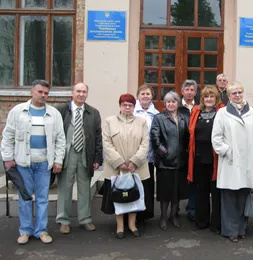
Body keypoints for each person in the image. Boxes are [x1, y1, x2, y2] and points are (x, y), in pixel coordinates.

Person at [1, 80, 66, 245]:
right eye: (40, 92)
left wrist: (58, 160)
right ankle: (25, 230)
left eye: (46, 93)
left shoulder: (54, 114)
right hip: (23, 163)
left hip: (44, 163)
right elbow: (8, 136)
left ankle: (41, 230)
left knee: (43, 198)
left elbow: (60, 139)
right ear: (32, 92)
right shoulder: (18, 111)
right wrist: (7, 158)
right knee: (25, 197)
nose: (43, 95)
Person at [211, 81, 253, 243]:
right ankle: (230, 230)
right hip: (230, 163)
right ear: (228, 96)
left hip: (247, 163)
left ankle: (241, 229)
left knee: (243, 197)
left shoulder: (252, 113)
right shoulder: (222, 113)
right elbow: (216, 138)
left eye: (240, 92)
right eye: (234, 93)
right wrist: (228, 151)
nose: (238, 95)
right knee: (229, 199)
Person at [56, 83, 103, 234]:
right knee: (65, 187)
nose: (81, 94)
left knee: (85, 188)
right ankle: (63, 220)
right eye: (78, 91)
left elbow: (97, 137)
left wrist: (97, 157)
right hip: (67, 154)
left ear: (87, 94)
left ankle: (85, 219)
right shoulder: (61, 110)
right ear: (72, 93)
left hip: (85, 155)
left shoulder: (93, 113)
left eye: (84, 92)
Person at [101, 94, 149, 239]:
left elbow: (145, 143)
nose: (127, 107)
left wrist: (135, 161)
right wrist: (119, 162)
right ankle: (120, 225)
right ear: (120, 106)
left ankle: (132, 224)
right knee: (118, 196)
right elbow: (107, 144)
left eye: (130, 105)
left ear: (134, 107)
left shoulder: (141, 122)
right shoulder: (110, 121)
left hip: (137, 167)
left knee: (134, 195)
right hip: (116, 168)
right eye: (124, 104)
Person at [151, 91, 190, 230]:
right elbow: (155, 139)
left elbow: (188, 137)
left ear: (177, 103)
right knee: (165, 192)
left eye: (173, 101)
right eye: (168, 102)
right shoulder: (159, 118)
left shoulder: (185, 118)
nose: (171, 104)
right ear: (165, 104)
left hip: (181, 162)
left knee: (177, 191)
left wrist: (186, 153)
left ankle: (173, 215)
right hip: (164, 162)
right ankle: (163, 216)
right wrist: (165, 153)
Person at [188, 85, 224, 233]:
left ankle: (216, 223)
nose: (209, 99)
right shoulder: (196, 111)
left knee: (216, 192)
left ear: (216, 99)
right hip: (198, 158)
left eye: (212, 96)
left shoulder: (221, 112)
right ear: (202, 99)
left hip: (216, 159)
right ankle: (201, 221)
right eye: (206, 97)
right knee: (201, 191)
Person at [133, 84, 159, 224]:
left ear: (152, 96)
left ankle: (144, 215)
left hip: (149, 157)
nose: (145, 96)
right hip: (133, 157)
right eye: (142, 93)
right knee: (133, 185)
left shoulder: (155, 114)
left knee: (147, 185)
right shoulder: (132, 111)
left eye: (148, 94)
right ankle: (132, 213)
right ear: (138, 96)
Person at [178, 79, 198, 222]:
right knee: (179, 180)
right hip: (180, 149)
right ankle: (175, 208)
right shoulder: (176, 106)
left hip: (195, 150)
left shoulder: (200, 106)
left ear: (195, 92)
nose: (189, 92)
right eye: (187, 90)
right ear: (182, 91)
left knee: (194, 181)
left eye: (192, 90)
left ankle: (192, 208)